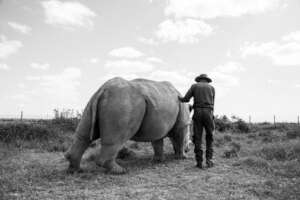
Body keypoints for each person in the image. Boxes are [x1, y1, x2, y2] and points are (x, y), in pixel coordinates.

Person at [178, 74, 215, 169]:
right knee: (209, 136)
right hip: (209, 112)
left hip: (197, 112)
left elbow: (186, 99)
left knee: (198, 137)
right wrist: (211, 115)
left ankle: (199, 162)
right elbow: (213, 103)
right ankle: (209, 160)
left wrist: (178, 98)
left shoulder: (194, 86)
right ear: (207, 80)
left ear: (199, 80)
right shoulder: (212, 88)